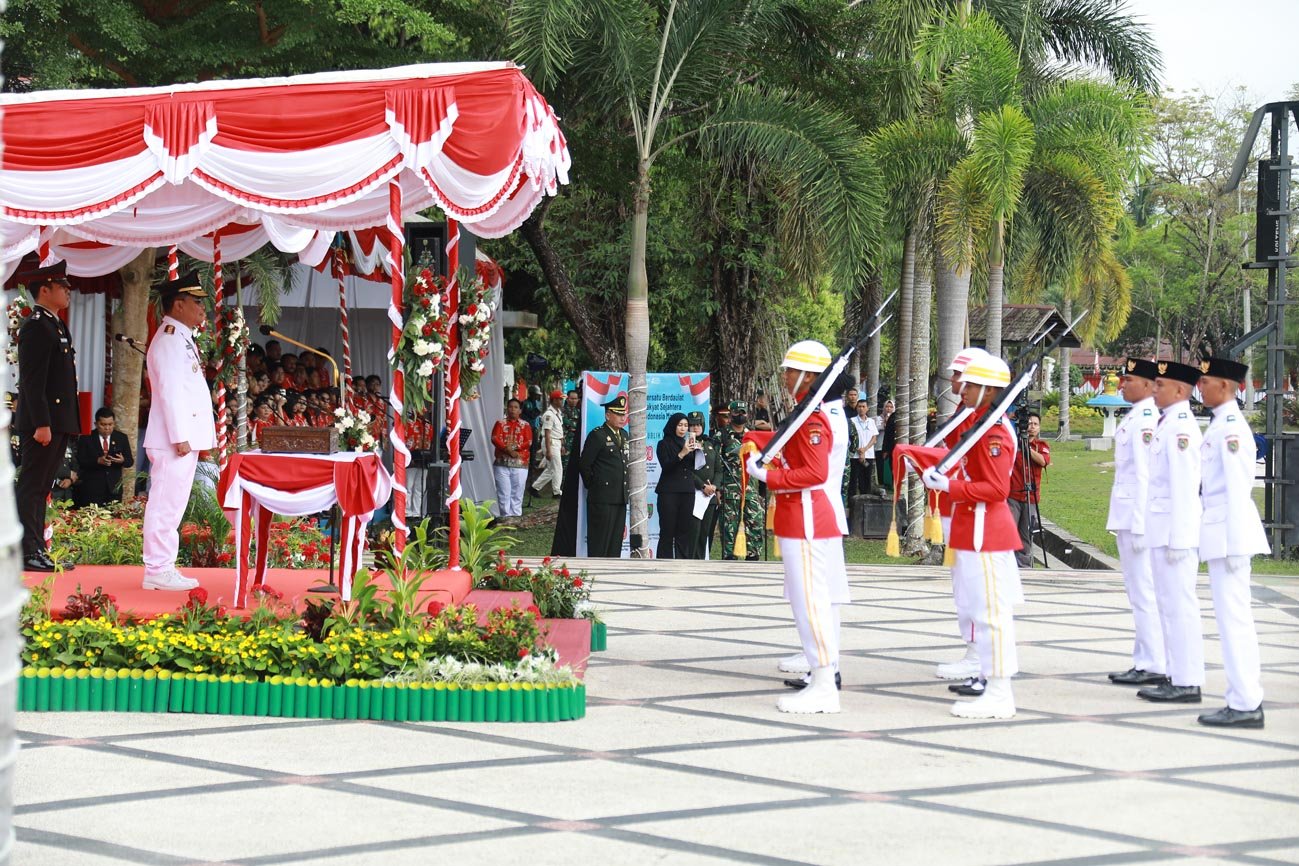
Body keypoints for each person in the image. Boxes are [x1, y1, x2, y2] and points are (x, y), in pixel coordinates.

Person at [921, 354, 1023, 719]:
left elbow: (996, 488)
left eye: (970, 384)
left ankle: (999, 690)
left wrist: (948, 484)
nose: (961, 389)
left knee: (993, 613)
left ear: (989, 389)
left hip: (988, 531)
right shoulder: (981, 423)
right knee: (981, 608)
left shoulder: (995, 430)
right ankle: (989, 680)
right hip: (973, 527)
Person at [745, 340, 840, 714]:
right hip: (796, 518)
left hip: (807, 519)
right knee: (804, 605)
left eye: (790, 370)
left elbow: (815, 472)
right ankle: (820, 678)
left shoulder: (814, 419)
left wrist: (770, 476)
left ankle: (823, 684)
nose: (785, 376)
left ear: (808, 376)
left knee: (811, 604)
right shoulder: (803, 413)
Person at [1196, 357, 1270, 728]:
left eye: (1205, 380)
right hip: (1224, 532)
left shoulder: (1230, 430)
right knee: (1230, 621)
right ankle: (1241, 699)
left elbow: (1236, 490)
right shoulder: (1220, 425)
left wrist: (1224, 535)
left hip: (1229, 534)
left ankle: (1245, 703)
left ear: (1225, 386)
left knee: (1234, 620)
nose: (1200, 386)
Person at [142, 271, 216, 591]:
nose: (203, 308)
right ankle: (157, 569)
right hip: (173, 439)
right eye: (196, 302)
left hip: (180, 437)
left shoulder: (181, 337)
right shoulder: (171, 338)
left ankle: (163, 565)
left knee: (173, 505)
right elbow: (171, 391)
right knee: (165, 504)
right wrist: (180, 436)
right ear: (178, 304)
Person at [1137, 360, 1205, 705]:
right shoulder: (1167, 424)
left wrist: (1180, 538)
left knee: (1180, 606)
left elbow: (1184, 487)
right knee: (1167, 605)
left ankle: (1187, 680)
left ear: (1181, 390)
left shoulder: (1181, 429)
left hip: (1174, 534)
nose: (1154, 389)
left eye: (1161, 385)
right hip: (1161, 531)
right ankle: (1176, 675)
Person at [781, 370, 853, 692]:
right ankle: (818, 656)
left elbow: (814, 468)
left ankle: (826, 661)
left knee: (822, 593)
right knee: (812, 592)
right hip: (816, 507)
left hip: (818, 508)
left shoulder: (827, 415)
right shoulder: (826, 413)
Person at [15, 263, 81, 572]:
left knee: (41, 487)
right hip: (44, 423)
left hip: (56, 421)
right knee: (32, 485)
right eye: (62, 286)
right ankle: (28, 551)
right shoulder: (37, 325)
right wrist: (42, 422)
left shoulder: (54, 324)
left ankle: (37, 548)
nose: (68, 291)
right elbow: (32, 380)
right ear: (45, 289)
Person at [1106, 358, 1167, 688]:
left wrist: (1143, 524)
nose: (1122, 384)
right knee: (1137, 591)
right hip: (1127, 515)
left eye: (1128, 379)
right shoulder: (1136, 416)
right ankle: (1145, 657)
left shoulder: (1146, 420)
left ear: (1146, 385)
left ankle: (1153, 662)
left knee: (1144, 591)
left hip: (1137, 518)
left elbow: (1146, 476)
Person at [579, 393, 629, 557]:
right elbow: (585, 465)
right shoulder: (598, 435)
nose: (623, 418)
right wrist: (595, 485)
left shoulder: (625, 435)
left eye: (624, 414)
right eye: (618, 414)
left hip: (620, 496)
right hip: (602, 497)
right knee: (600, 540)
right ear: (608, 415)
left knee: (615, 542)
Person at [719, 400, 764, 561]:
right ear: (730, 415)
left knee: (755, 521)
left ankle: (753, 554)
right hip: (730, 488)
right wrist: (718, 488)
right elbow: (716, 463)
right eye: (737, 413)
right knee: (729, 525)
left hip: (750, 488)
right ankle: (729, 556)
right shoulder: (722, 435)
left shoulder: (752, 436)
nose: (740, 415)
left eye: (743, 412)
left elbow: (761, 462)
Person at [1007, 411, 1051, 567]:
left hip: (1030, 497)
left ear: (1039, 428)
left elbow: (1043, 461)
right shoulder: (1012, 443)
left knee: (1026, 535)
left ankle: (1025, 567)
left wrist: (1026, 447)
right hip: (1012, 495)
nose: (1031, 427)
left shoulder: (1041, 446)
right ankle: (1008, 565)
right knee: (1008, 531)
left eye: (1035, 424)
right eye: (1029, 423)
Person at [654, 412, 698, 558]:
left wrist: (698, 453)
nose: (683, 428)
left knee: (684, 530)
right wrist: (682, 453)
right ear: (673, 425)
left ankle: (682, 562)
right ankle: (663, 563)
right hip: (669, 491)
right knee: (667, 530)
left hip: (687, 491)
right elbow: (666, 466)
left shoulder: (689, 444)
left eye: (686, 425)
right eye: (680, 425)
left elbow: (694, 468)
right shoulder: (663, 444)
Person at [74, 407, 134, 507]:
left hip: (114, 489)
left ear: (114, 423)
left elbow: (130, 461)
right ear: (96, 424)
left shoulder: (121, 438)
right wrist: (97, 461)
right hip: (92, 490)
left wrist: (122, 461)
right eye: (103, 424)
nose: (107, 428)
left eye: (110, 424)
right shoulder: (86, 438)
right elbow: (80, 461)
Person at [491, 398, 532, 522]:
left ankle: (516, 517)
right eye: (510, 407)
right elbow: (494, 438)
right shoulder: (500, 423)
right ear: (506, 409)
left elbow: (528, 441)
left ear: (520, 410)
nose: (513, 409)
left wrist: (514, 448)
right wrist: (508, 450)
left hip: (520, 464)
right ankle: (505, 517)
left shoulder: (526, 425)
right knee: (503, 492)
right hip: (501, 464)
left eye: (516, 407)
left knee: (517, 492)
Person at [687, 411, 720, 558]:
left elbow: (719, 470)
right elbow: (686, 470)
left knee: (705, 533)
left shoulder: (710, 444)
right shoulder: (687, 445)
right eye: (692, 425)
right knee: (693, 532)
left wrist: (714, 486)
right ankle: (690, 562)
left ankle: (702, 562)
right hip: (694, 495)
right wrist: (702, 486)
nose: (695, 428)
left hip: (710, 497)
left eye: (698, 424)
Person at [532, 390, 565, 497]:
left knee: (551, 469)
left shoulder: (558, 413)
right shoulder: (549, 414)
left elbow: (558, 431)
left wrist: (562, 444)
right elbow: (547, 432)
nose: (562, 401)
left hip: (556, 442)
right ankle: (556, 492)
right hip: (551, 442)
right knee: (557, 468)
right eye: (560, 399)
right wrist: (548, 450)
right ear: (554, 400)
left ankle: (534, 487)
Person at [849, 400, 877, 497]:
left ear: (867, 408)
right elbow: (850, 437)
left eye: (863, 406)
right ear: (856, 408)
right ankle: (852, 502)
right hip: (855, 456)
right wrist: (859, 450)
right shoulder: (852, 421)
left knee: (866, 478)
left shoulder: (871, 421)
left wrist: (865, 449)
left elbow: (874, 438)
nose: (861, 408)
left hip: (868, 455)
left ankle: (866, 499)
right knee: (853, 479)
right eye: (859, 406)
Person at [878, 398, 896, 490]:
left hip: (899, 445)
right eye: (887, 407)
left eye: (891, 407)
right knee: (891, 466)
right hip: (890, 447)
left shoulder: (897, 416)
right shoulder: (889, 418)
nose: (889, 408)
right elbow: (887, 435)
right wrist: (885, 450)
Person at [561, 389, 581, 471]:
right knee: (564, 467)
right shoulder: (562, 411)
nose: (574, 401)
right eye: (572, 399)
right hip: (565, 443)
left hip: (576, 442)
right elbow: (567, 425)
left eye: (575, 399)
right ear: (567, 399)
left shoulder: (579, 412)